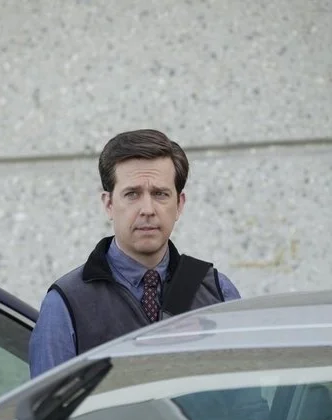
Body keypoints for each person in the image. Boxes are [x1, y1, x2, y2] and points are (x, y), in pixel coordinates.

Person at [29, 129, 242, 379]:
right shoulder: (67, 302)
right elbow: (51, 401)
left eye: (160, 194)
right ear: (109, 204)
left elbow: (244, 392)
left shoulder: (217, 290)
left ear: (179, 204)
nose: (147, 209)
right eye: (132, 194)